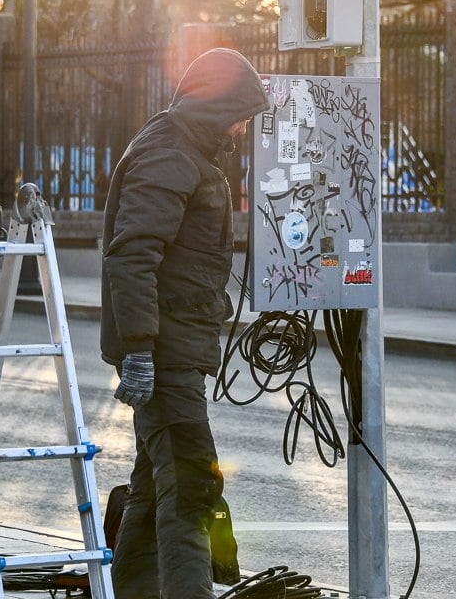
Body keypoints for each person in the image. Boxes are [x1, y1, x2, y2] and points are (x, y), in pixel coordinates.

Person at [100, 48, 268, 599]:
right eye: (241, 113)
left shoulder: (184, 150)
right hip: (165, 357)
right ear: (218, 107)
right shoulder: (169, 154)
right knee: (193, 488)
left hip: (172, 351)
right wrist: (140, 350)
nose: (243, 128)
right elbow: (133, 255)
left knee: (155, 491)